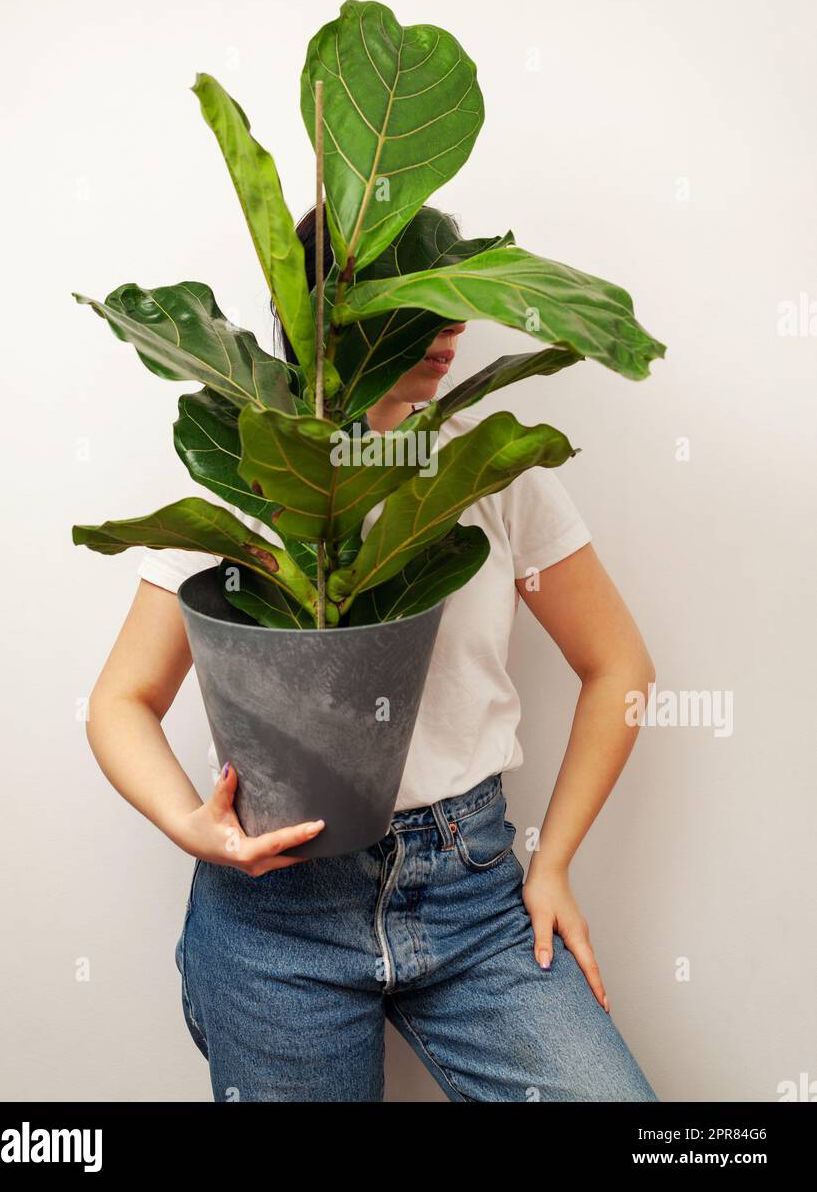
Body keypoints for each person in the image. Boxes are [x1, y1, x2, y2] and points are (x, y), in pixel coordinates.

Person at [85, 208, 659, 1103]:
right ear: (326, 309)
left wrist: (553, 866)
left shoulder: (490, 469)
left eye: (454, 294)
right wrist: (186, 823)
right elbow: (121, 701)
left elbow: (618, 668)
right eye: (417, 295)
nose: (452, 326)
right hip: (279, 912)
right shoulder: (246, 472)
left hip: (471, 893)